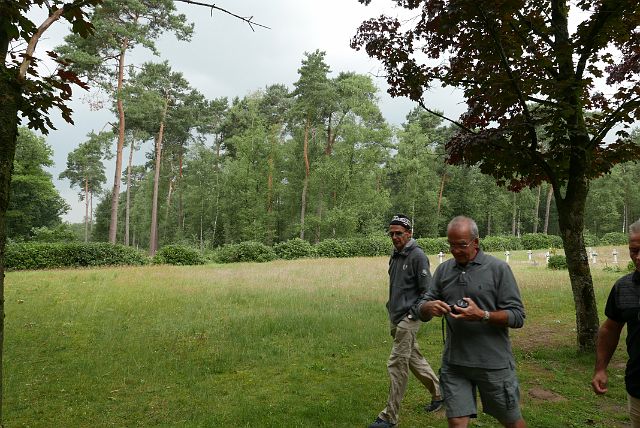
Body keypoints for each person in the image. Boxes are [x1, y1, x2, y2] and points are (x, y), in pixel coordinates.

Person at [417, 215, 526, 428]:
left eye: (461, 245)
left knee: (512, 421)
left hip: (493, 364)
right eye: (451, 245)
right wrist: (428, 307)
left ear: (476, 242)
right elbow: (423, 306)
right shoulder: (444, 270)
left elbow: (517, 316)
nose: (456, 250)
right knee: (457, 423)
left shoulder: (498, 269)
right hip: (455, 364)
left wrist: (483, 315)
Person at [368, 214, 443, 428]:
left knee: (397, 363)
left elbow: (427, 292)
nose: (394, 237)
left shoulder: (418, 256)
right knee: (413, 358)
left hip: (408, 319)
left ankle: (389, 417)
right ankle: (439, 394)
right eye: (391, 233)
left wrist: (411, 314)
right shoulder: (396, 254)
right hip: (395, 315)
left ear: (409, 233)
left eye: (398, 233)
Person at [591, 219, 640, 428]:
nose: (638, 257)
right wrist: (601, 368)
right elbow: (610, 329)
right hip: (638, 386)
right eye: (633, 250)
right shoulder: (624, 287)